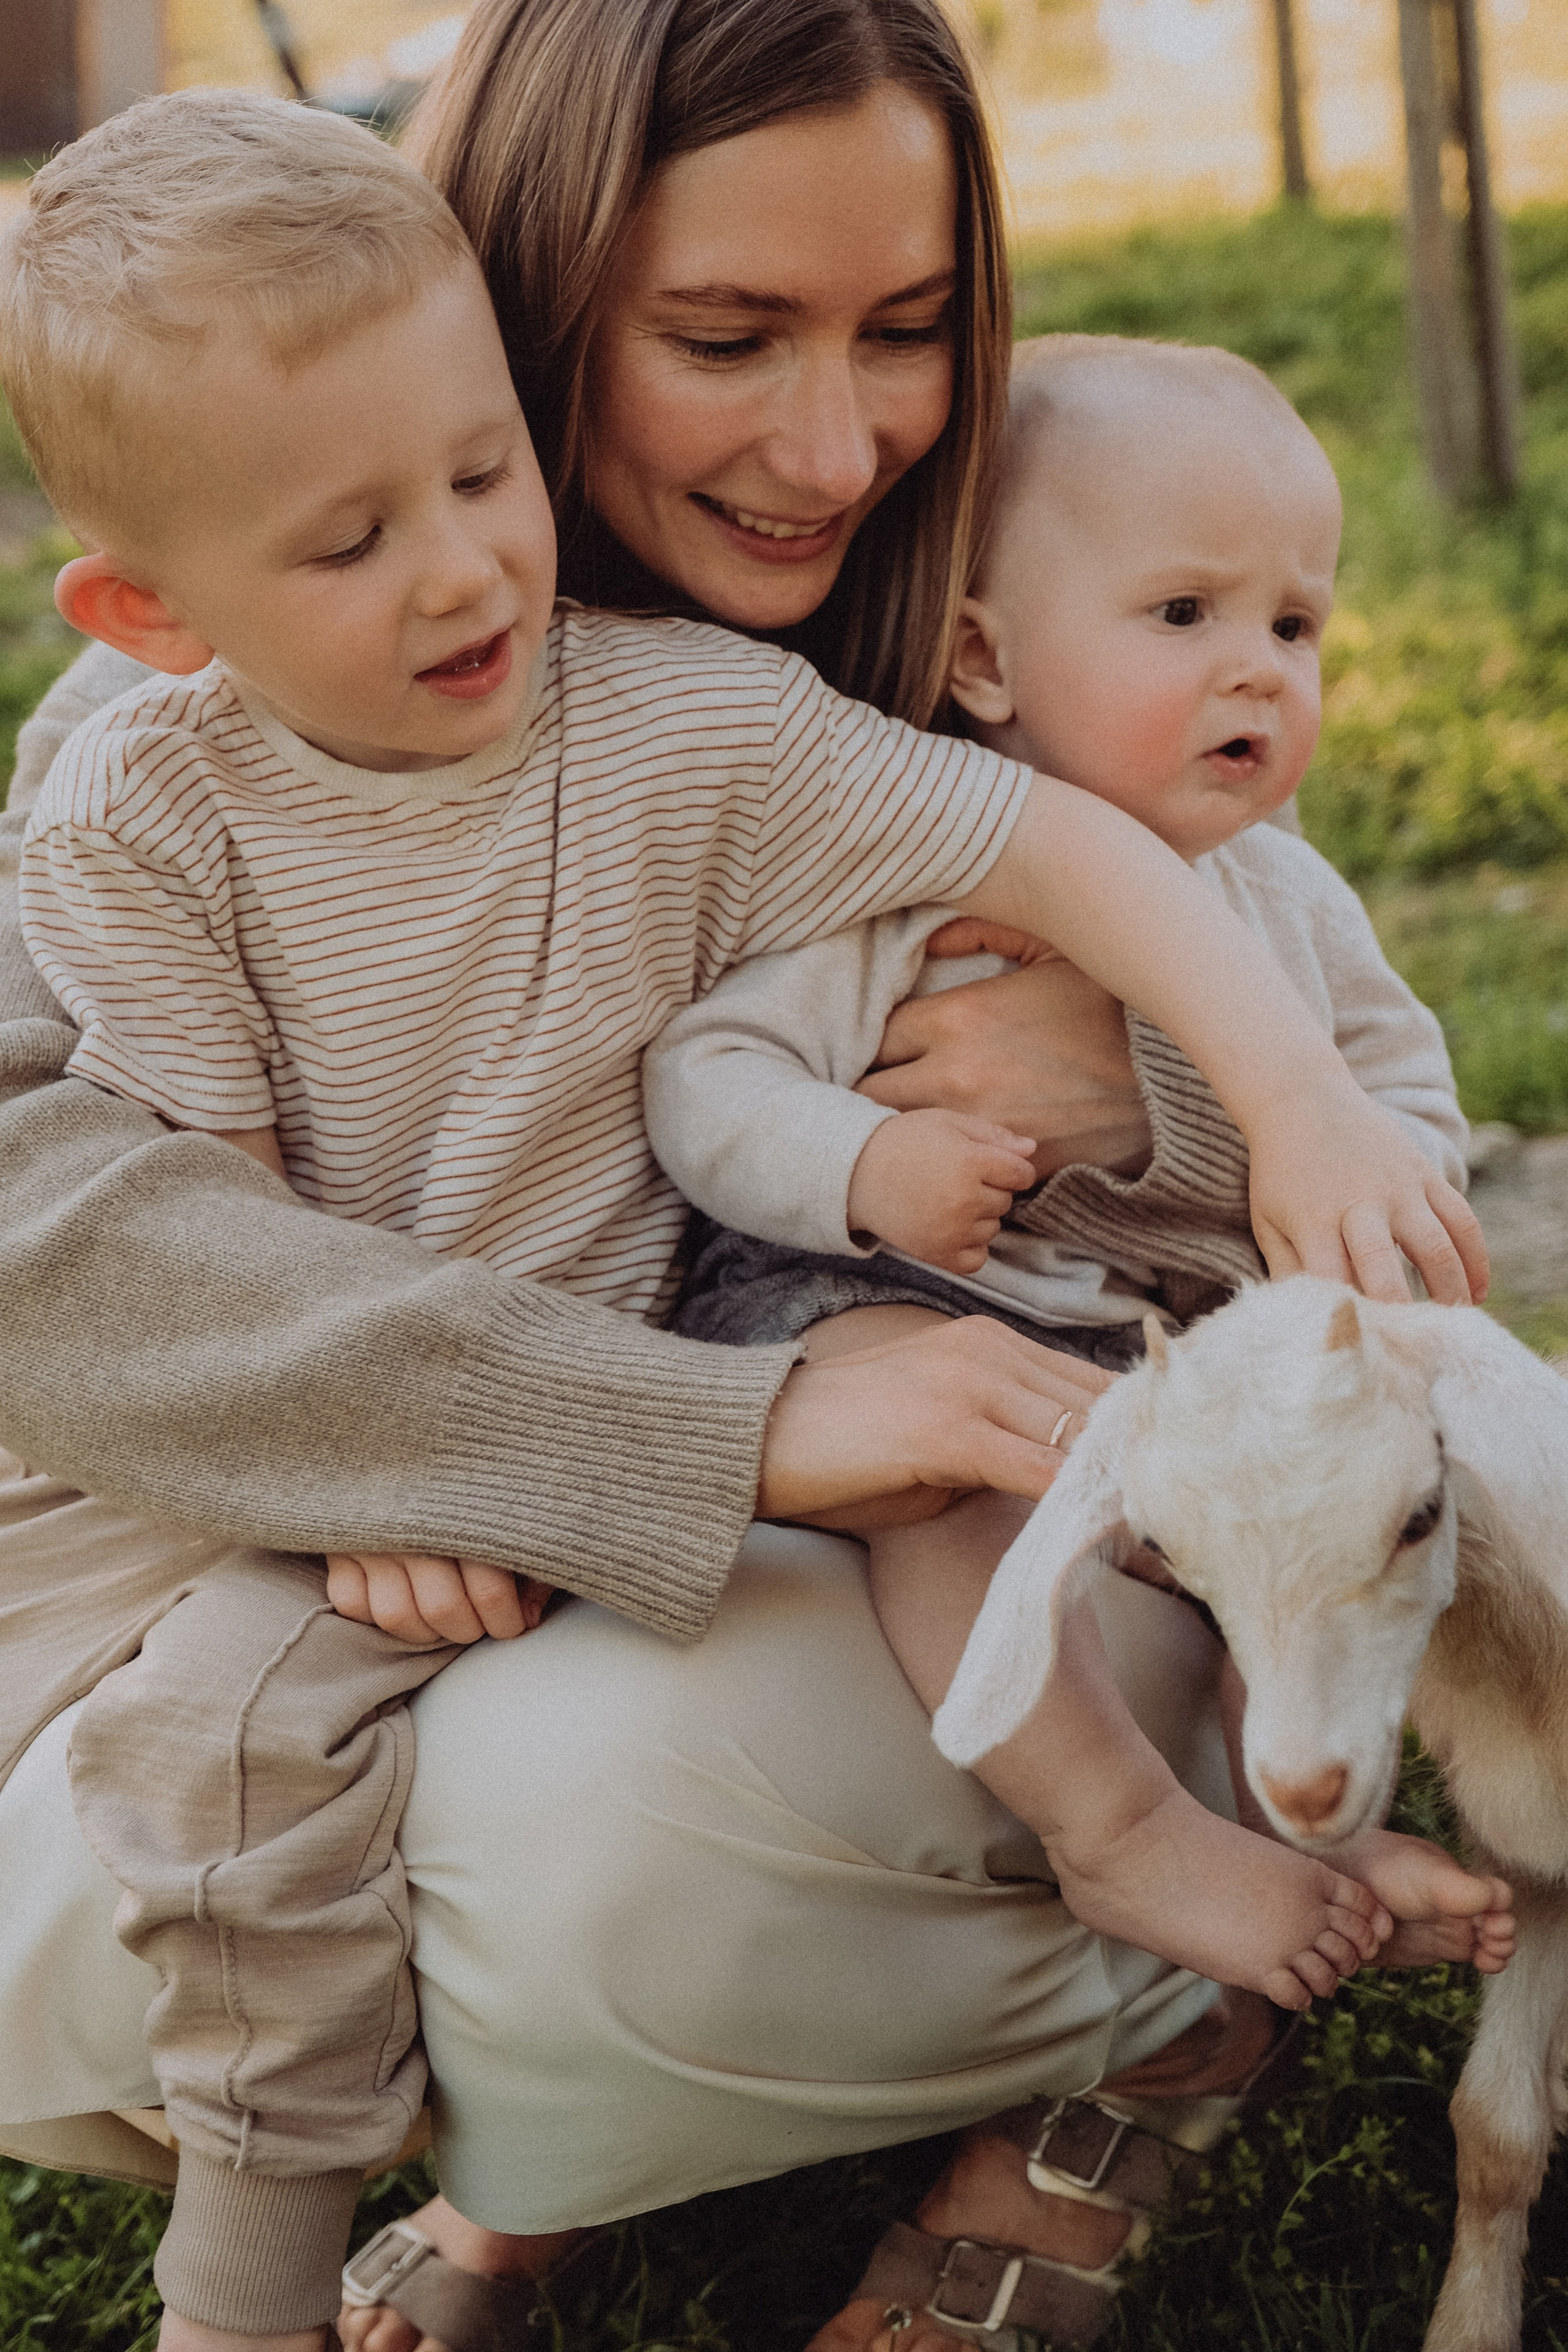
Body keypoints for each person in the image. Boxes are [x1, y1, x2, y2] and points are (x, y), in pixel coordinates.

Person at [0, 8, 1485, 2351]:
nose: (835, 443)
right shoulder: (195, 737)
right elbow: (77, 1220)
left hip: (1017, 1470)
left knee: (648, 1815)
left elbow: (1369, 1135)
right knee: (208, 1839)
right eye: (719, 336)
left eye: (909, 331)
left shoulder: (1042, 633)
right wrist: (501, 1427)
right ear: (531, 288)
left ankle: (1135, 2028)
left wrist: (1170, 1100)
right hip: (549, 1462)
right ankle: (513, 2174)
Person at [645, 331, 1516, 2010]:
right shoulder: (908, 857)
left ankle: (1314, 1817)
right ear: (983, 655)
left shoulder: (1287, 898)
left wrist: (1365, 1191)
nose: (1257, 671)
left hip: (1143, 1343)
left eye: (1294, 623)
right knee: (948, 1470)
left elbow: (1404, 1109)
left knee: (1317, 1512)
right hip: (874, 1312)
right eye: (1185, 615)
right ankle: (1117, 1827)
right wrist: (868, 1157)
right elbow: (709, 1078)